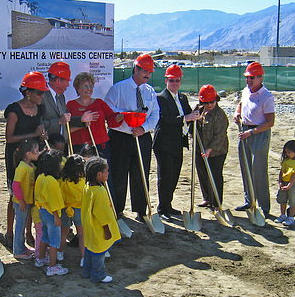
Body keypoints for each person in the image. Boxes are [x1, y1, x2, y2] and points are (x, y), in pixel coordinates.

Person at [104, 53, 160, 221]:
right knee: (119, 174)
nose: (148, 75)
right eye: (145, 72)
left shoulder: (150, 91)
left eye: (150, 73)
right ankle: (118, 209)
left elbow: (155, 114)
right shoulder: (118, 88)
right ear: (136, 69)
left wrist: (144, 128)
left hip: (142, 138)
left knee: (141, 174)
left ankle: (141, 210)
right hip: (120, 138)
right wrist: (124, 117)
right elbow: (108, 109)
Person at [4, 71, 48, 245]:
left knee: (31, 193)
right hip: (16, 156)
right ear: (27, 92)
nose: (42, 96)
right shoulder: (14, 110)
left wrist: (41, 135)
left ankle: (28, 232)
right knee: (15, 193)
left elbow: (39, 129)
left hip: (34, 155)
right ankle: (10, 231)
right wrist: (33, 134)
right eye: (39, 92)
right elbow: (9, 138)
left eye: (43, 92)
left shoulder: (40, 108)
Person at [152, 64, 201, 220]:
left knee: (174, 176)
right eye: (171, 80)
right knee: (165, 176)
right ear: (166, 80)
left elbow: (188, 114)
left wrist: (195, 113)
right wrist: (185, 119)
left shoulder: (182, 97)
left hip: (178, 142)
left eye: (177, 80)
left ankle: (168, 205)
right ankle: (162, 208)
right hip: (164, 143)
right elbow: (164, 120)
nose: (174, 83)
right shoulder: (161, 98)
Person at [234, 62, 275, 218]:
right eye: (247, 77)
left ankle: (264, 206)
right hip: (244, 131)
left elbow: (270, 122)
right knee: (245, 168)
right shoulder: (246, 91)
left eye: (251, 77)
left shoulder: (267, 96)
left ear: (260, 77)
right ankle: (249, 200)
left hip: (258, 133)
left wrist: (251, 132)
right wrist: (237, 113)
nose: (248, 80)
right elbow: (241, 104)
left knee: (259, 171)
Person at [67, 71, 124, 161]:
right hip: (78, 147)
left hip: (100, 146)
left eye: (91, 86)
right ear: (77, 88)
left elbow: (112, 119)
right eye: (85, 86)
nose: (89, 89)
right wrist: (82, 123)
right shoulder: (71, 105)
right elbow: (66, 128)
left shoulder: (99, 103)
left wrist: (124, 115)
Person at [81, 157, 120, 283]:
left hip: (88, 225)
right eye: (106, 171)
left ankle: (87, 272)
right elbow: (101, 213)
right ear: (99, 174)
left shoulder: (87, 186)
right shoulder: (99, 192)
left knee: (89, 249)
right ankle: (98, 275)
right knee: (99, 251)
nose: (108, 173)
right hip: (98, 227)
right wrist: (106, 229)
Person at [193, 85, 229, 210]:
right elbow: (192, 125)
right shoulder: (199, 109)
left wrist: (210, 149)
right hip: (200, 148)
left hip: (217, 151)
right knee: (202, 173)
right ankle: (207, 198)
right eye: (206, 102)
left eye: (212, 102)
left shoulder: (220, 115)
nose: (209, 105)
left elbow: (220, 136)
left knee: (215, 175)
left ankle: (217, 202)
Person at [34, 149, 68, 276]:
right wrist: (56, 217)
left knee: (45, 236)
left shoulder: (41, 177)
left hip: (42, 211)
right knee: (54, 241)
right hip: (51, 213)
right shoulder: (51, 182)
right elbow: (54, 201)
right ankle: (52, 267)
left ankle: (41, 258)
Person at [41, 61, 85, 141]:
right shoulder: (41, 96)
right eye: (67, 81)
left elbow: (65, 120)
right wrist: (58, 121)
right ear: (58, 81)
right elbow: (37, 124)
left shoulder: (61, 96)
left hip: (62, 145)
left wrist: (82, 120)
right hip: (47, 145)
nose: (68, 85)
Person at [11, 139, 40, 260]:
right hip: (21, 202)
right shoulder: (22, 167)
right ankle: (17, 250)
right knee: (20, 225)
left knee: (22, 224)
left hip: (27, 201)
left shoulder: (31, 166)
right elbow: (15, 185)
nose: (38, 153)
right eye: (37, 151)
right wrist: (21, 200)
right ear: (28, 154)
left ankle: (21, 246)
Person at [59, 155, 86, 266]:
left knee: (63, 233)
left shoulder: (62, 180)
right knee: (82, 235)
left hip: (65, 209)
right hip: (79, 209)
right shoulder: (83, 181)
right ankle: (84, 258)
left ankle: (59, 252)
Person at [275, 140, 295, 227]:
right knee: (282, 199)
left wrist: (289, 185)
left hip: (293, 184)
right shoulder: (286, 161)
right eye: (286, 152)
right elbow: (281, 171)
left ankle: (291, 217)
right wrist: (280, 182)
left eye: (289, 152)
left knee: (292, 200)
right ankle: (282, 215)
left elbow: (294, 175)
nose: (287, 154)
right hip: (284, 182)